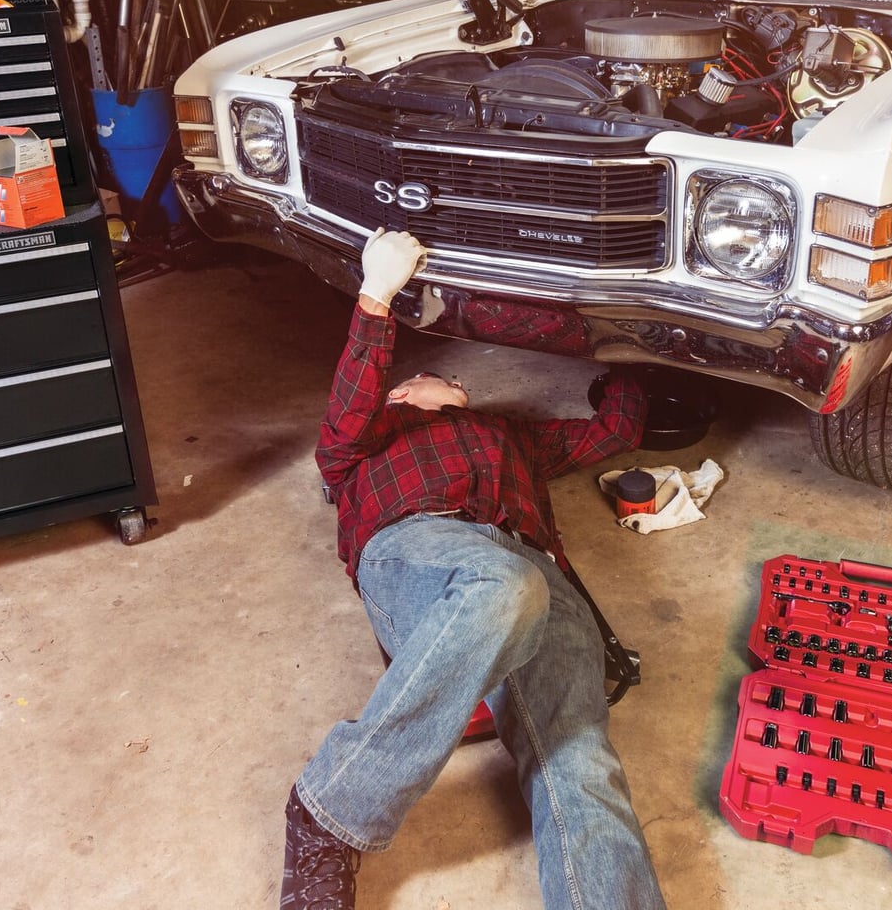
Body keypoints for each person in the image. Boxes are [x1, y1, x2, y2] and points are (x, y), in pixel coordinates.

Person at [280, 229, 667, 909]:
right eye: (427, 379)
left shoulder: (511, 434)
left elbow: (614, 431)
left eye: (454, 381)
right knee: (502, 586)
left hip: (537, 574)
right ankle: (331, 807)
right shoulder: (362, 445)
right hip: (418, 549)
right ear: (400, 392)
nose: (448, 381)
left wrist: (631, 347)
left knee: (582, 762)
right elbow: (349, 407)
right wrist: (377, 296)